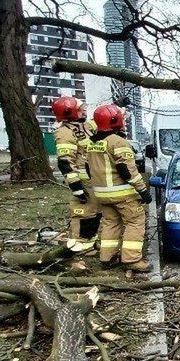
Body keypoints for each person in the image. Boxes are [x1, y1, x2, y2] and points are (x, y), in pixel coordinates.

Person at [87, 104, 153, 274]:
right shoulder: (118, 142)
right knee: (135, 221)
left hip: (102, 193)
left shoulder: (93, 143)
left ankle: (107, 257)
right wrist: (143, 190)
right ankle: (132, 259)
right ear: (115, 121)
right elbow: (128, 170)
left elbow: (88, 168)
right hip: (122, 193)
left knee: (111, 223)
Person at [52, 96, 100, 251]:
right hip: (82, 182)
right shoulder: (65, 132)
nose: (84, 110)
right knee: (84, 214)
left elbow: (98, 121)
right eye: (80, 108)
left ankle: (92, 243)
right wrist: (76, 186)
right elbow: (65, 162)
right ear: (70, 112)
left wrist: (117, 105)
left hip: (93, 180)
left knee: (95, 213)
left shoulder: (85, 125)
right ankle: (80, 247)